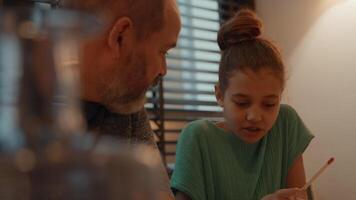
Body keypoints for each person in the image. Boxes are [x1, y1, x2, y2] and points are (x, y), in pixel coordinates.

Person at [171, 9, 314, 200]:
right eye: (242, 102)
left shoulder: (285, 123)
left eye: (269, 104)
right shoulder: (198, 138)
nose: (255, 116)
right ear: (220, 95)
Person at [60, 0, 181, 199]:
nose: (163, 69)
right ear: (120, 37)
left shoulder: (125, 104)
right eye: (163, 51)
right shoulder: (26, 115)